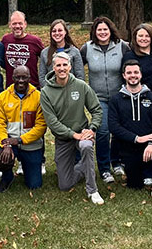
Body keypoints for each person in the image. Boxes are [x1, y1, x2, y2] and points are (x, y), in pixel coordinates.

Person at [40, 52, 104, 205]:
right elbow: (52, 122)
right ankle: (84, 167)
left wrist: (92, 128)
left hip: (83, 133)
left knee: (87, 146)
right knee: (65, 185)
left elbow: (97, 109)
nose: (62, 68)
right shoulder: (46, 92)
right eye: (58, 65)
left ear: (70, 66)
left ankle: (92, 190)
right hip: (63, 138)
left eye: (65, 65)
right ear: (53, 68)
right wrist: (73, 135)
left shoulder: (81, 86)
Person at [108, 60, 152, 198]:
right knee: (135, 185)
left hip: (150, 145)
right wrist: (137, 139)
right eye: (129, 73)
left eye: (136, 72)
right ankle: (141, 172)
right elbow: (114, 126)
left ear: (141, 75)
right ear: (124, 75)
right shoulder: (116, 99)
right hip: (130, 145)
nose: (132, 75)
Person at [80, 16, 130, 184]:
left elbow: (132, 66)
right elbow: (76, 65)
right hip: (98, 98)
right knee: (102, 131)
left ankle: (116, 162)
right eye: (99, 30)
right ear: (94, 32)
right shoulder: (87, 48)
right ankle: (104, 168)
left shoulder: (122, 46)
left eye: (105, 29)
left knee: (118, 131)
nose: (102, 32)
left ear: (111, 31)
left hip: (119, 97)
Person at [0, 66, 47, 192]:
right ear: (12, 78)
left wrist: (20, 140)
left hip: (31, 144)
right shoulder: (3, 96)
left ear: (29, 78)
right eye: (18, 77)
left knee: (34, 184)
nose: (21, 80)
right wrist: (5, 143)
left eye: (24, 77)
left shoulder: (39, 97)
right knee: (1, 160)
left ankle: (29, 168)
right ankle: (7, 176)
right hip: (9, 142)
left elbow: (41, 126)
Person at [122, 23, 152, 104]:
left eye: (147, 36)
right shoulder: (129, 56)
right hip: (142, 98)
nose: (143, 39)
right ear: (135, 37)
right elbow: (125, 78)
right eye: (140, 36)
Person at [2, 11, 44, 88]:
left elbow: (46, 58)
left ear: (25, 24)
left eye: (20, 23)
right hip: (11, 88)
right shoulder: (6, 40)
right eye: (14, 23)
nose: (17, 26)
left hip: (32, 88)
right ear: (9, 25)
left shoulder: (35, 41)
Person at [38, 19, 85, 87]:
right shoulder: (44, 53)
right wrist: (49, 91)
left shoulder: (75, 52)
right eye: (54, 31)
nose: (57, 33)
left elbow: (80, 76)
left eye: (60, 30)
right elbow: (42, 77)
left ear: (65, 32)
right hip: (52, 93)